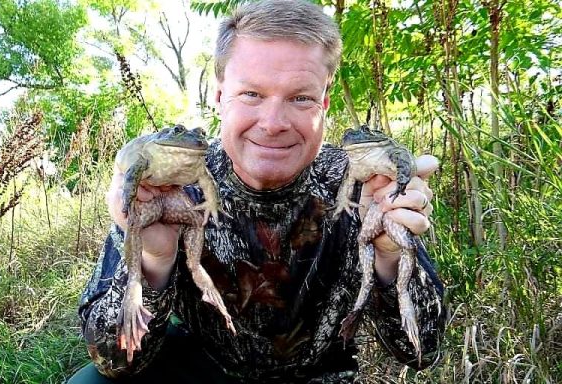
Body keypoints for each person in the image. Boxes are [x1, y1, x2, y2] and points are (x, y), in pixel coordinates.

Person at [67, 1, 445, 383]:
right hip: (205, 369)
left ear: (324, 102)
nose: (273, 123)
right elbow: (113, 362)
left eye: (300, 98)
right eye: (251, 94)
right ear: (219, 97)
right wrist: (154, 258)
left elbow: (422, 352)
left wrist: (389, 259)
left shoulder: (363, 183)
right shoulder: (173, 181)